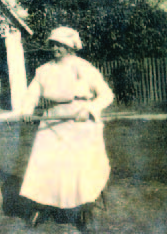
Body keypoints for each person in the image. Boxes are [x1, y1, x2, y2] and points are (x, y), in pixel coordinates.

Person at [18, 26, 114, 231]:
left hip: (79, 120)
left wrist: (89, 109)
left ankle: (86, 209)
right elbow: (32, 94)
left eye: (60, 45)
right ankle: (40, 207)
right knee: (44, 165)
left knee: (81, 166)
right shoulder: (43, 70)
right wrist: (27, 109)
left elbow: (106, 95)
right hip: (52, 121)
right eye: (53, 44)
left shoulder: (84, 67)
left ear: (70, 47)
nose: (55, 48)